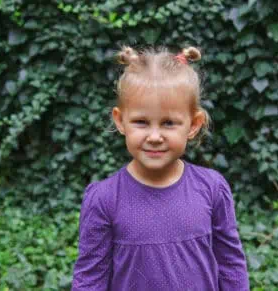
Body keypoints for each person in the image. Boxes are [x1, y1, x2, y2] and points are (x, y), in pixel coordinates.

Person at [71, 46, 250, 290]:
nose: (154, 136)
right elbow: (90, 279)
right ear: (120, 120)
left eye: (168, 123)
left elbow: (231, 265)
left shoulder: (212, 188)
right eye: (141, 122)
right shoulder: (103, 199)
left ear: (193, 124)